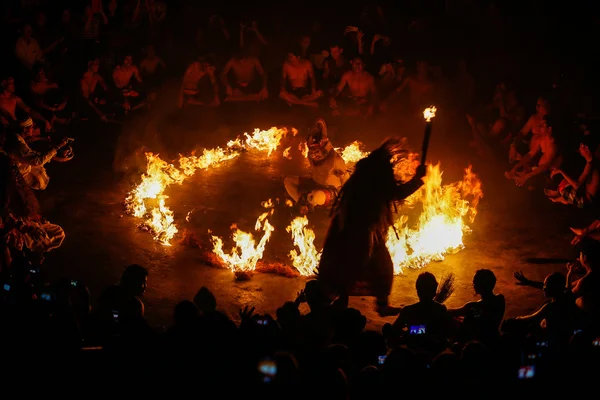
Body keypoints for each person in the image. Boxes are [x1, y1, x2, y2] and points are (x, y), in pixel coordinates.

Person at [316, 137, 427, 316]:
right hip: (359, 233)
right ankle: (339, 303)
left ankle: (368, 303)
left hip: (352, 231)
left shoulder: (364, 175)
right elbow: (395, 193)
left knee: (352, 267)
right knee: (374, 267)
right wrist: (417, 180)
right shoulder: (374, 180)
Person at [284, 118, 349, 214]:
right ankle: (304, 201)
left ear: (324, 149)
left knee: (317, 196)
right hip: (315, 183)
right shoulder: (311, 157)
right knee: (288, 181)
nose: (314, 155)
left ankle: (309, 201)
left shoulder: (336, 160)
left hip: (330, 191)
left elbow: (347, 182)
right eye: (312, 151)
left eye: (317, 151)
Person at [4, 117, 71, 190]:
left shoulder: (18, 138)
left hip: (23, 164)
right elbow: (37, 161)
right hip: (19, 172)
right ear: (24, 130)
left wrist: (54, 155)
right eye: (31, 128)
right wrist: (58, 147)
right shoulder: (18, 145)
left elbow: (32, 155)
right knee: (39, 182)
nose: (33, 130)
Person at [545, 136, 600, 208]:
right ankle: (559, 196)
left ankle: (559, 197)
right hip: (581, 195)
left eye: (581, 146)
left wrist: (560, 171)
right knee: (564, 184)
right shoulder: (588, 162)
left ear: (586, 148)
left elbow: (577, 186)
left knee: (563, 187)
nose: (579, 149)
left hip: (585, 202)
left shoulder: (590, 165)